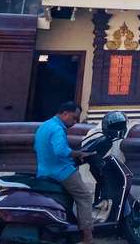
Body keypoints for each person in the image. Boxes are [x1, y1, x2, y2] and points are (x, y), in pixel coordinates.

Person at [34, 101, 94, 244]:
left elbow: (37, 148)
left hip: (44, 171)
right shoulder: (57, 129)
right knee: (84, 197)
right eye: (74, 118)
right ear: (64, 113)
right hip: (61, 172)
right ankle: (87, 238)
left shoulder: (44, 126)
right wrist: (77, 153)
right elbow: (61, 151)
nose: (74, 122)